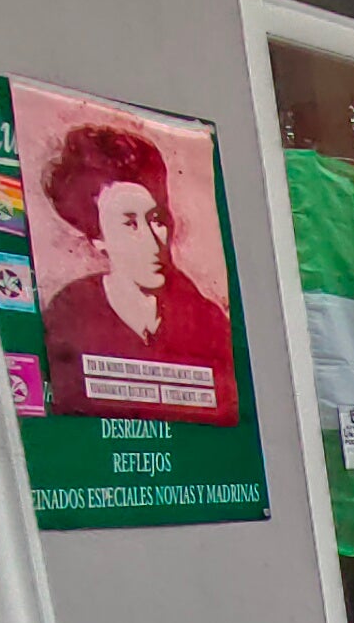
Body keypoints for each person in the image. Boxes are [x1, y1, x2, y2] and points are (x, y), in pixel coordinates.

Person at [38, 121, 237, 423]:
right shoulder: (70, 316)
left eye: (156, 219)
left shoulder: (206, 322)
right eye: (129, 223)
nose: (153, 240)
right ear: (97, 238)